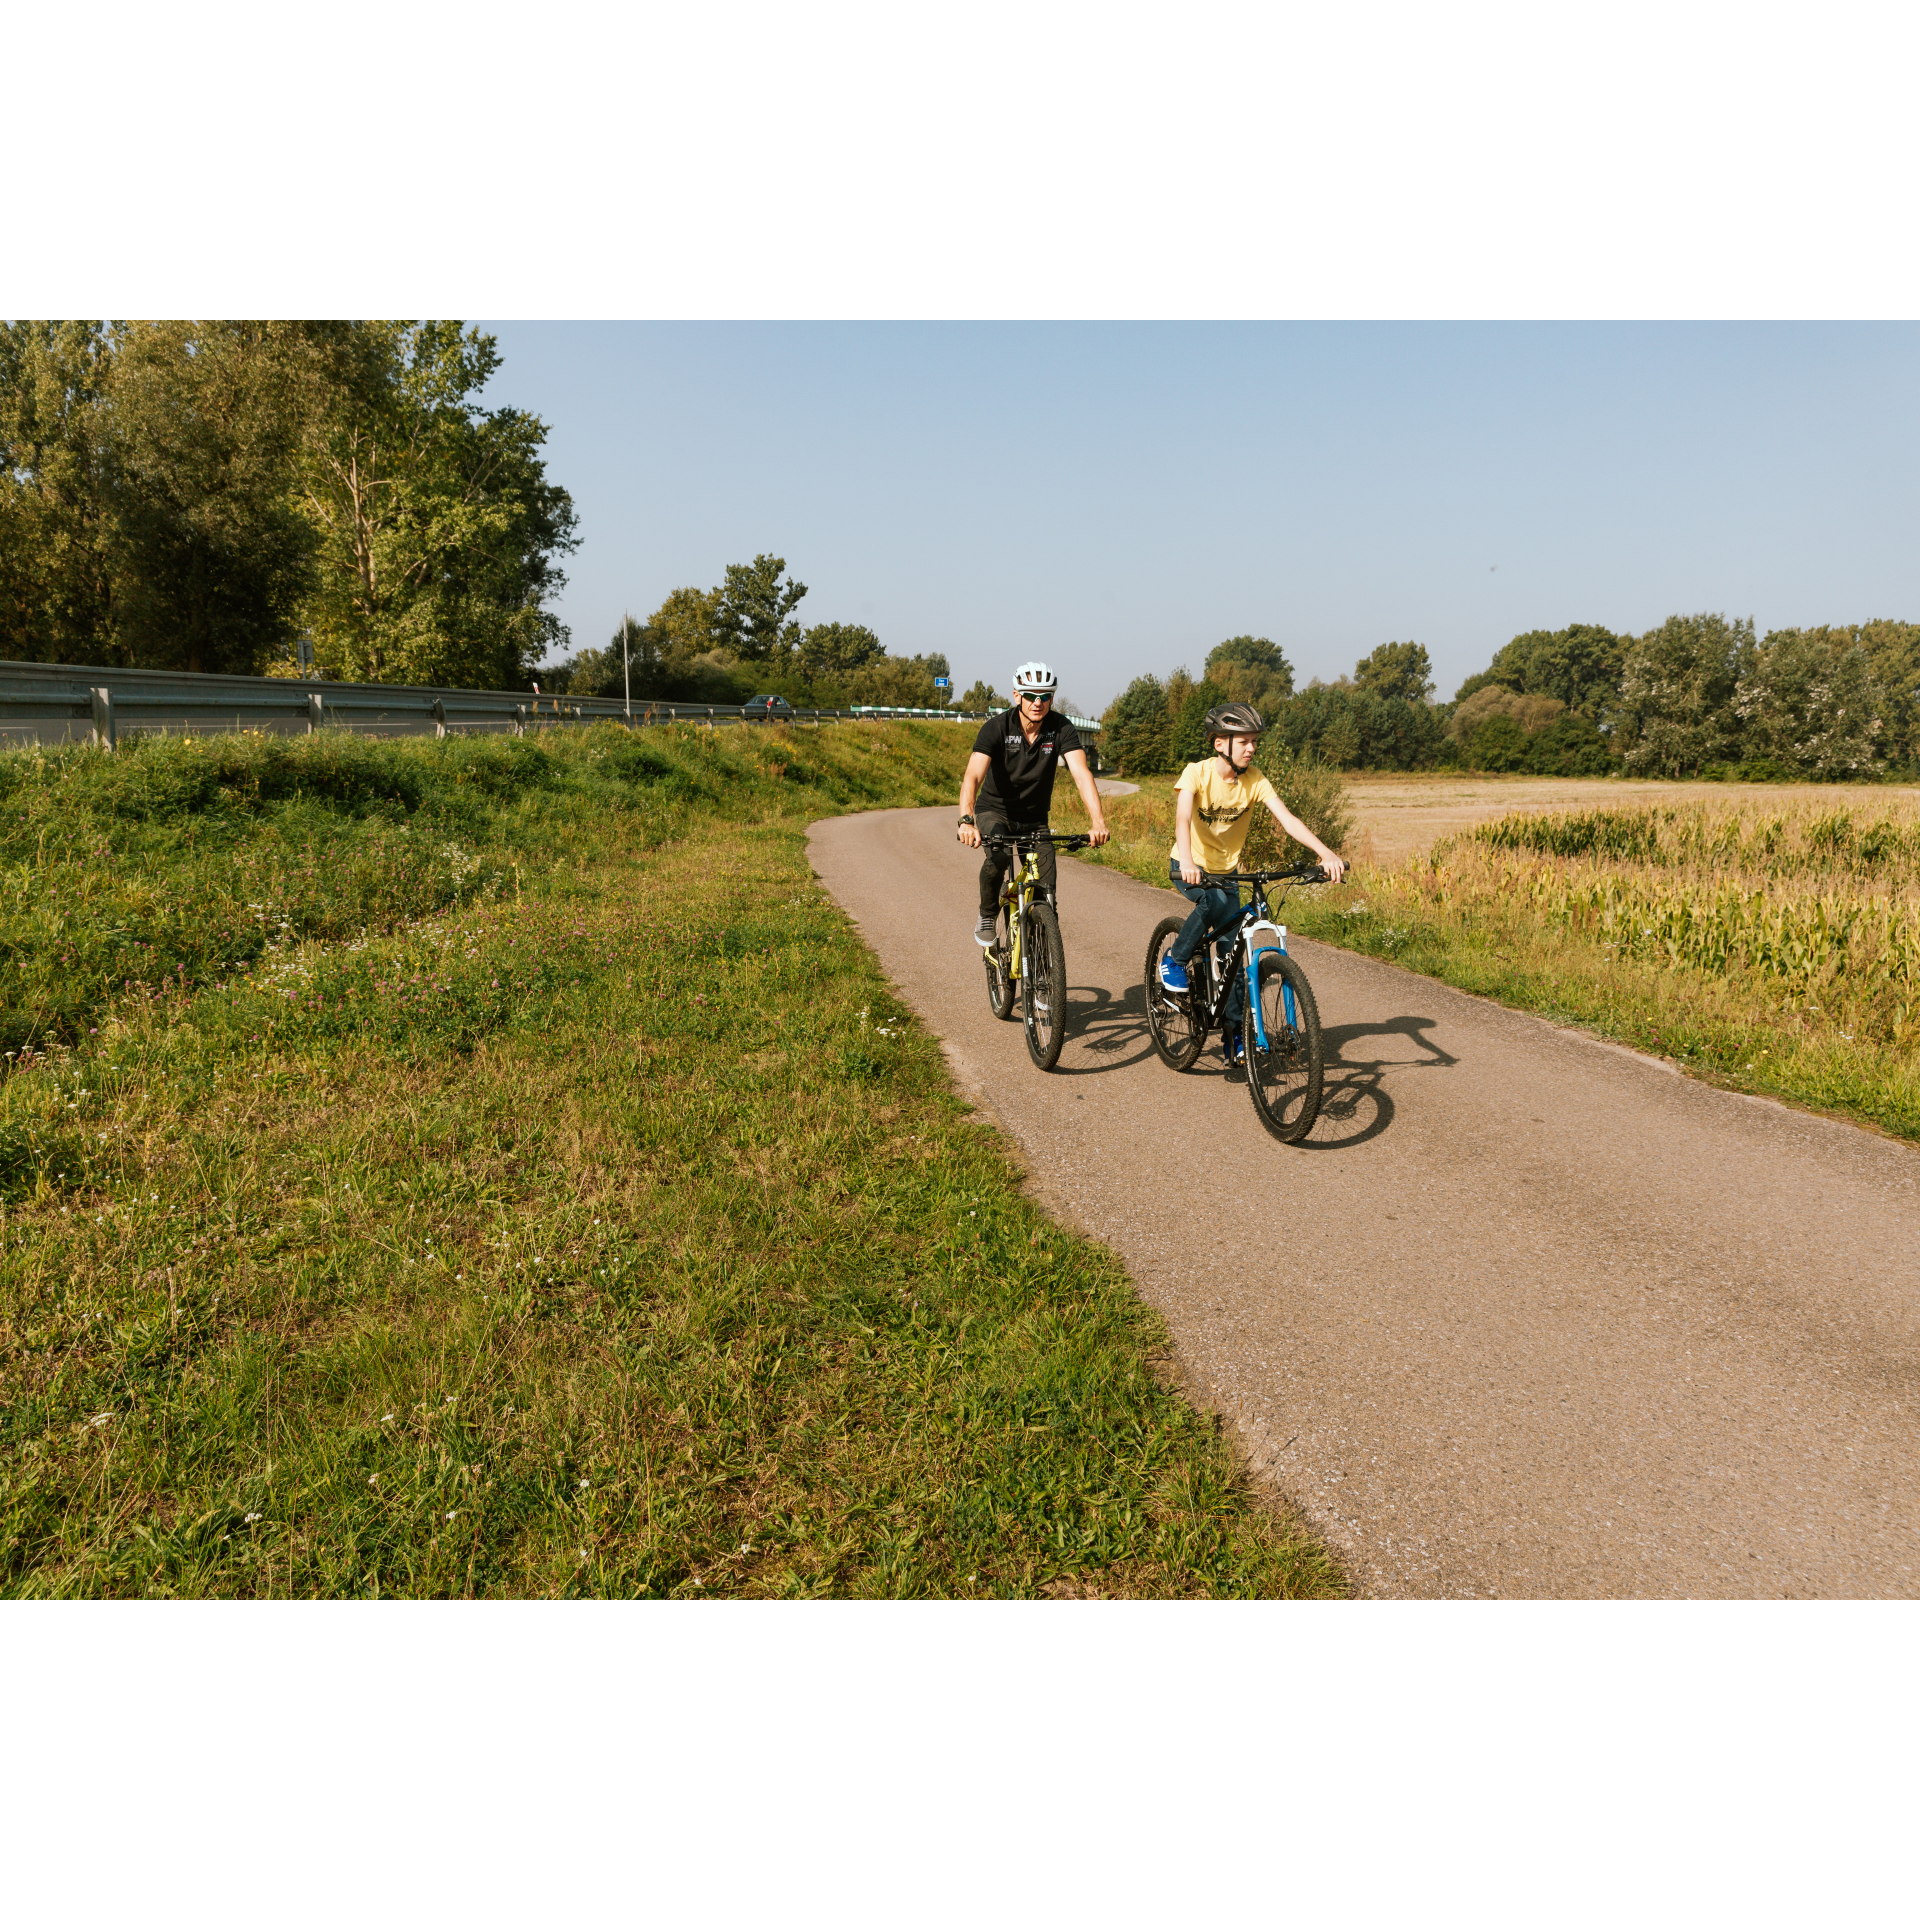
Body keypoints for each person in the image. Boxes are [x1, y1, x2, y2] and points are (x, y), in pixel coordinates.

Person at [1158, 702, 1347, 1068]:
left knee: (1232, 953)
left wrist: (1325, 853)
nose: (1251, 748)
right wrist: (1188, 861)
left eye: (1254, 742)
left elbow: (1288, 819)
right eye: (1244, 741)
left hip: (1228, 873)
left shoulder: (1255, 779)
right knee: (1211, 902)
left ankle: (1235, 1041)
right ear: (1219, 744)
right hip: (1190, 866)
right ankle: (1175, 961)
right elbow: (1182, 818)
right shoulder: (1196, 773)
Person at [956, 662, 1110, 944]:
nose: (1037, 703)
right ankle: (987, 912)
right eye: (1030, 695)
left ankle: (1044, 949)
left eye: (1045, 696)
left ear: (1052, 698)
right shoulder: (996, 727)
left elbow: (1081, 775)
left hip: (1035, 819)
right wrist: (967, 820)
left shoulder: (1061, 728)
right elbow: (973, 776)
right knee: (999, 857)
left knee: (1046, 886)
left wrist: (1098, 822)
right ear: (1017, 696)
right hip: (995, 811)